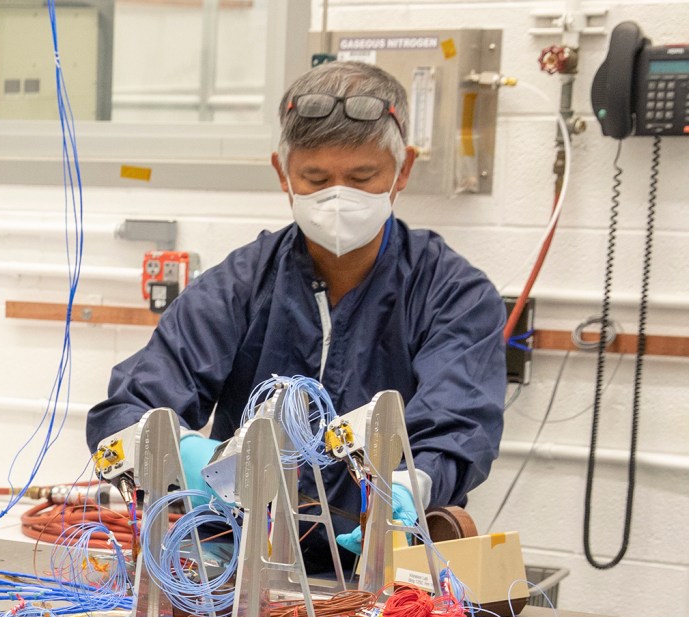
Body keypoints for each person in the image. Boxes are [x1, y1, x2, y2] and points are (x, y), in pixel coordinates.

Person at [86, 59, 506, 558]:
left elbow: (458, 429)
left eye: (362, 176)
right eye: (315, 178)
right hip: (242, 560)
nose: (337, 198)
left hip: (385, 567)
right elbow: (125, 413)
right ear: (283, 173)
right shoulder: (240, 286)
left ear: (403, 170)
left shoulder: (452, 294)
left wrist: (406, 490)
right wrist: (186, 455)